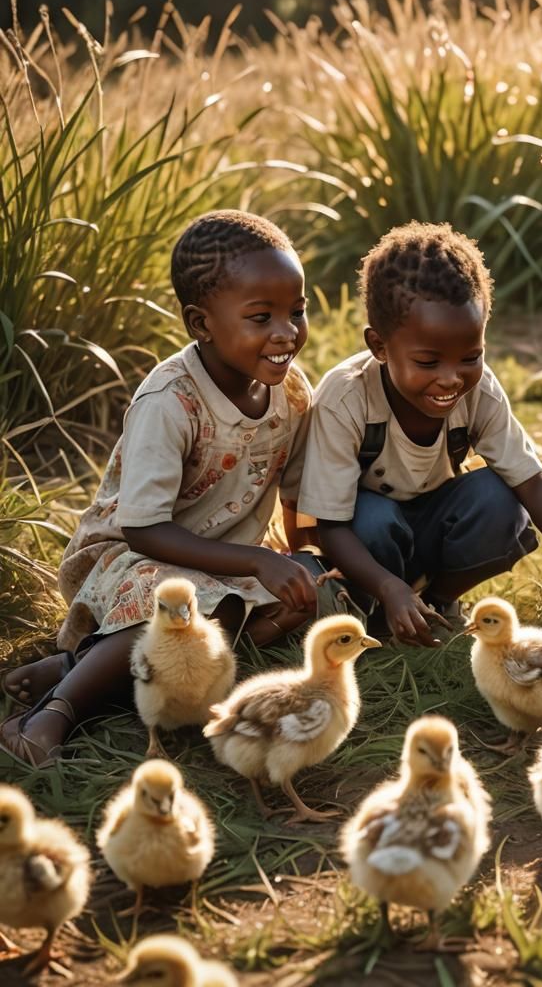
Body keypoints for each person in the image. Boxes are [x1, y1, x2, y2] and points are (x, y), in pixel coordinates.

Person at [1, 210, 320, 765]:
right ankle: (52, 713)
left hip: (224, 567)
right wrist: (255, 563)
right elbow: (143, 528)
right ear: (201, 324)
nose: (286, 333)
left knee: (300, 598)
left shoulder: (291, 394)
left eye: (297, 311)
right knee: (182, 607)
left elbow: (293, 494)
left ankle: (78, 665)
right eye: (261, 317)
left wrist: (293, 562)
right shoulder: (170, 402)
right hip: (131, 559)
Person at [298, 221, 542, 646]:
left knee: (500, 498)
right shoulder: (344, 398)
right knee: (373, 519)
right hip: (368, 545)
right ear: (379, 347)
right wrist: (388, 587)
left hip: (437, 524)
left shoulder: (479, 391)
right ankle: (379, 609)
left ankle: (439, 603)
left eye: (470, 357)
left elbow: (531, 481)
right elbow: (330, 526)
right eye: (427, 362)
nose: (450, 379)